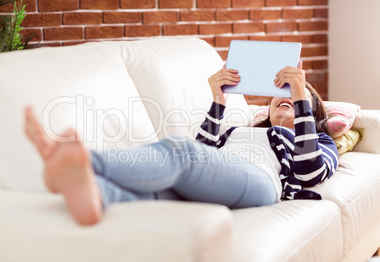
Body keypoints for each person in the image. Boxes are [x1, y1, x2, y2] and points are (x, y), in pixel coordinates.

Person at [24, 61, 339, 225]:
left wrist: (300, 95)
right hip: (219, 180)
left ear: (311, 111)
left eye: (295, 98)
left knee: (178, 150)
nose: (284, 99)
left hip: (261, 184)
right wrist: (218, 101)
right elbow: (204, 152)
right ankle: (93, 194)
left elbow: (310, 173)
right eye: (280, 97)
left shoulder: (321, 140)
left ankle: (84, 161)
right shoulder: (243, 129)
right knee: (157, 191)